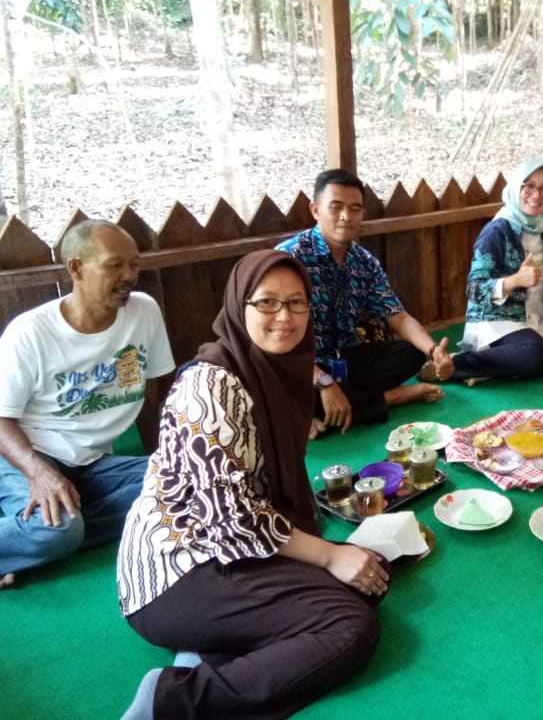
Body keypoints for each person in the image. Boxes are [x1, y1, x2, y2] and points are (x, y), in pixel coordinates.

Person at [118, 250, 388, 719]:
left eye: (297, 302)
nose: (285, 316)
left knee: (368, 578)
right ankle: (170, 701)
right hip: (179, 569)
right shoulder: (210, 387)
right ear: (239, 305)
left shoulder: (274, 370)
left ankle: (209, 650)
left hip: (235, 551)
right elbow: (231, 518)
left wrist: (335, 556)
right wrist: (328, 555)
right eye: (266, 302)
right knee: (349, 626)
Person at [0, 220, 174, 590]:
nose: (129, 275)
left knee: (183, 483)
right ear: (76, 268)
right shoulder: (30, 332)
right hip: (28, 456)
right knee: (59, 528)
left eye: (134, 264)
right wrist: (39, 474)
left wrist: (163, 459)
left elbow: (153, 397)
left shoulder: (144, 312)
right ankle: (49, 533)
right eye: (115, 265)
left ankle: (33, 539)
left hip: (93, 463)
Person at [277, 169, 454, 436]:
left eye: (354, 208)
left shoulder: (364, 262)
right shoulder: (289, 259)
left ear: (363, 214)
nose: (346, 216)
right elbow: (276, 340)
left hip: (345, 359)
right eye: (336, 207)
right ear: (315, 210)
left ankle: (320, 409)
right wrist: (323, 382)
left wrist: (433, 351)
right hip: (299, 365)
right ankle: (391, 397)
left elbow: (398, 316)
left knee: (412, 353)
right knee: (278, 388)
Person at [452, 159, 543, 381]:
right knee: (535, 354)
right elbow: (474, 290)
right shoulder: (497, 231)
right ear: (516, 187)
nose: (537, 195)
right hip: (499, 322)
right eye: (529, 186)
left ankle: (501, 367)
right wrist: (514, 281)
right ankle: (457, 365)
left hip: (537, 321)